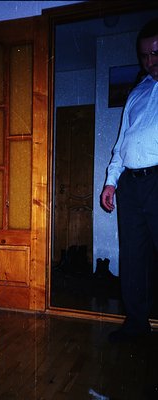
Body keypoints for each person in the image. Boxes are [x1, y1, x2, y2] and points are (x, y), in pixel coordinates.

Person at [101, 17, 158, 343]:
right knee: (133, 256)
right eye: (145, 56)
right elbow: (122, 143)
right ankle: (136, 324)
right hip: (131, 185)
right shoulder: (137, 92)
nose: (151, 62)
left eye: (156, 53)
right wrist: (111, 182)